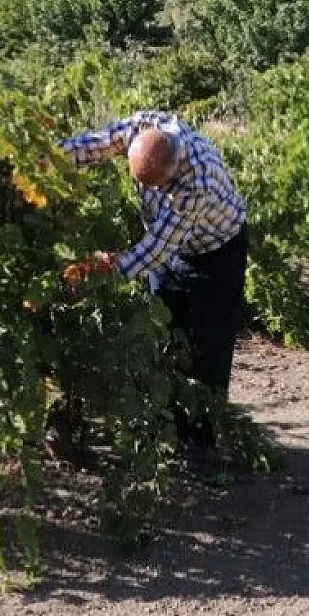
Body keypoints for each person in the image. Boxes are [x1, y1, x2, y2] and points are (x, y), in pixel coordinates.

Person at [59, 110, 249, 457]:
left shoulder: (197, 183)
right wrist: (48, 161)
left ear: (174, 169)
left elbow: (153, 252)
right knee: (161, 332)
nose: (146, 191)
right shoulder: (141, 129)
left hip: (215, 253)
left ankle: (199, 439)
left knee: (206, 343)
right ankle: (163, 425)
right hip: (169, 246)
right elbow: (94, 145)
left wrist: (95, 276)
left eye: (155, 185)